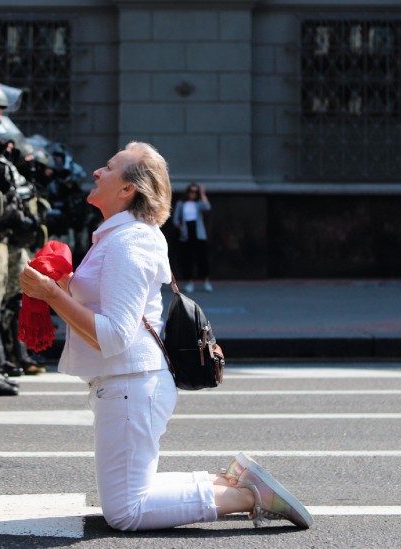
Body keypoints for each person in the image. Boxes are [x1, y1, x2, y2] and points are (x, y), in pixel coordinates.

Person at [19, 142, 312, 532]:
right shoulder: (116, 237)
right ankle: (228, 481)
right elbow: (110, 308)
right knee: (129, 496)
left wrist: (52, 294)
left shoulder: (129, 242)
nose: (97, 172)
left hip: (131, 384)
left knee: (126, 512)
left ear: (128, 190)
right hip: (126, 384)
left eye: (108, 168)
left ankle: (250, 496)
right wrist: (66, 283)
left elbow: (114, 336)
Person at [173, 183, 212, 293]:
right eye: (191, 191)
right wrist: (180, 227)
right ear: (187, 192)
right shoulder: (181, 204)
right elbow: (176, 219)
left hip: (198, 232)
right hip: (186, 233)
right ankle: (189, 283)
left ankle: (206, 282)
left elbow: (207, 207)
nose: (193, 194)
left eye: (195, 192)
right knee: (187, 259)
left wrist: (203, 193)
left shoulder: (198, 203)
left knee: (202, 258)